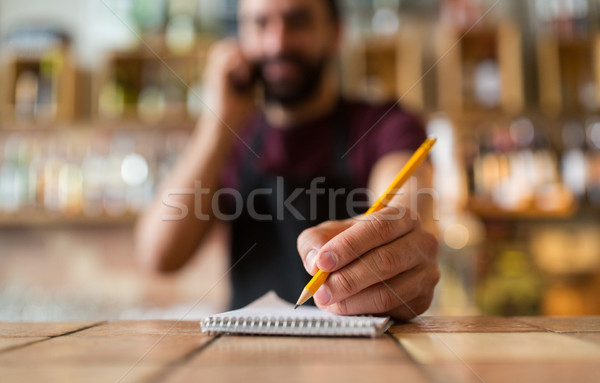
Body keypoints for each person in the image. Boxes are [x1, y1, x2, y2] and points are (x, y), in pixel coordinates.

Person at [135, 0, 440, 320]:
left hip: (358, 359)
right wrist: (217, 121)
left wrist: (400, 247)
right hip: (248, 353)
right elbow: (159, 256)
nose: (276, 42)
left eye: (298, 22)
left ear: (336, 33)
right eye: (260, 24)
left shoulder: (385, 125)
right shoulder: (230, 137)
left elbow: (409, 208)